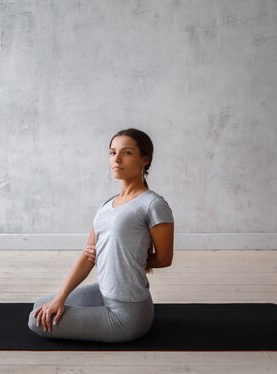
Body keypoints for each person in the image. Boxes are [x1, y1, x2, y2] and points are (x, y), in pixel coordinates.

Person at [27, 128, 175, 342]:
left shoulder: (153, 204)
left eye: (127, 153)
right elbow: (89, 256)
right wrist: (60, 298)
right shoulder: (107, 205)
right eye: (112, 152)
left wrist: (131, 259)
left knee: (35, 320)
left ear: (144, 160)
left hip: (127, 314)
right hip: (103, 292)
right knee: (42, 305)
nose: (117, 159)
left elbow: (164, 258)